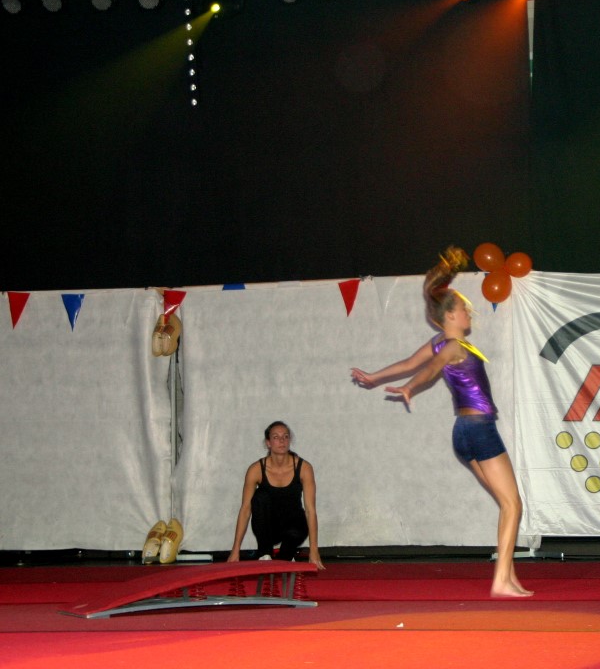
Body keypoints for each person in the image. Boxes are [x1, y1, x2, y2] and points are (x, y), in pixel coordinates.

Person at [350, 247, 532, 598]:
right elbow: (428, 370)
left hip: (463, 434)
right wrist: (410, 388)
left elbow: (409, 361)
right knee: (513, 504)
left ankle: (509, 577)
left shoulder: (440, 343)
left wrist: (374, 377)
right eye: (463, 307)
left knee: (506, 502)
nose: (469, 311)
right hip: (479, 429)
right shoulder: (452, 347)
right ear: (449, 315)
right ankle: (500, 581)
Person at [227, 420, 326, 569]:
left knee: (283, 563)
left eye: (285, 436)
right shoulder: (256, 469)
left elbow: (311, 511)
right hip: (268, 529)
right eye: (276, 437)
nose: (282, 441)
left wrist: (314, 550)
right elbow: (245, 510)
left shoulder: (304, 468)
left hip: (293, 527)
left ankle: (287, 555)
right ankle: (265, 554)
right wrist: (235, 551)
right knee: (260, 497)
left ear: (289, 440)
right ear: (268, 443)